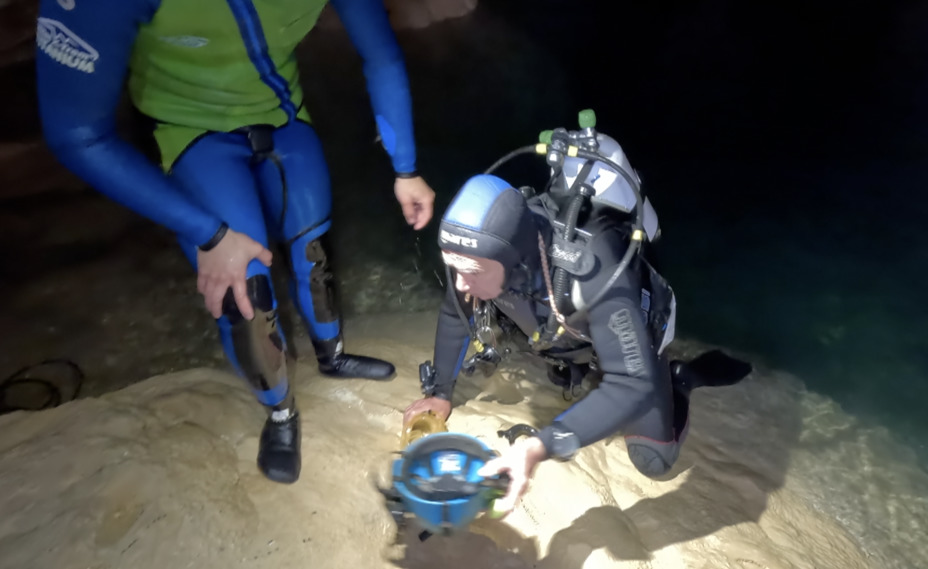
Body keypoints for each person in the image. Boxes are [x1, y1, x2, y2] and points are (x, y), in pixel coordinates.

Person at [36, 0, 435, 484]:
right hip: (190, 131)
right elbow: (77, 133)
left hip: (286, 121)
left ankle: (332, 356)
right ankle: (281, 413)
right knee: (244, 292)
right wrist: (207, 233)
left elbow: (383, 56)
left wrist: (405, 169)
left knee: (314, 251)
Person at [403, 161, 751, 516]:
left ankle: (681, 380)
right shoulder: (474, 256)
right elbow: (454, 313)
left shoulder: (594, 271)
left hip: (630, 327)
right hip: (566, 331)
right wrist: (441, 393)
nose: (459, 283)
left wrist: (540, 446)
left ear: (512, 259)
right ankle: (574, 362)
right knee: (555, 355)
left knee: (654, 460)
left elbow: (630, 384)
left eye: (470, 272)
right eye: (452, 264)